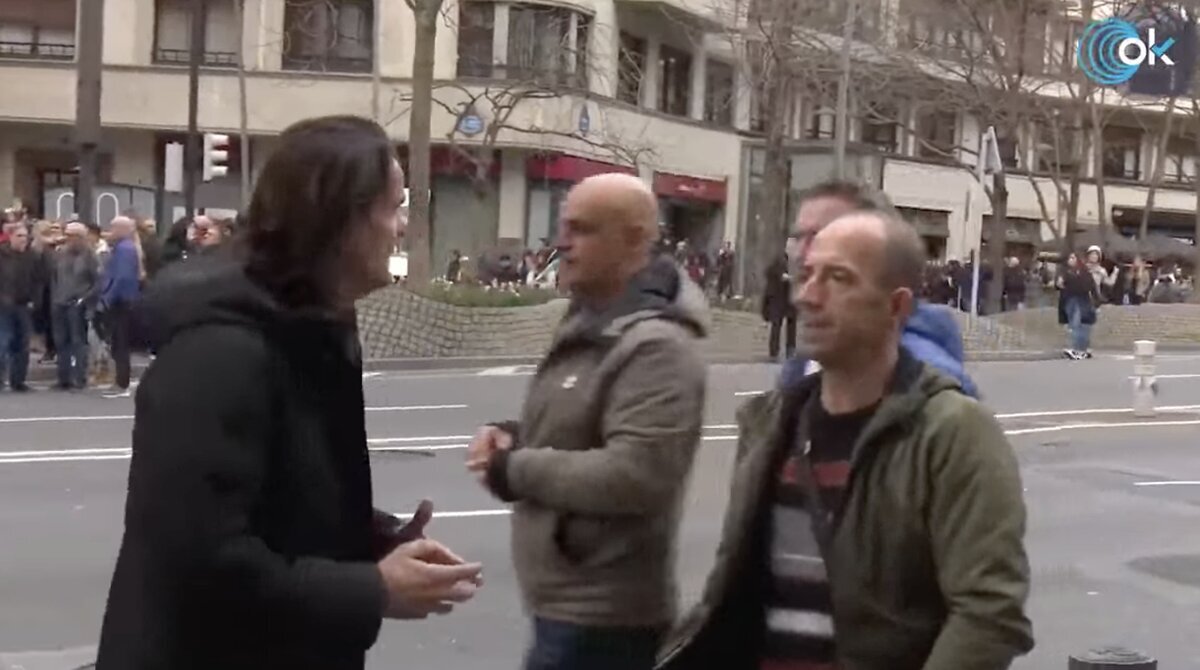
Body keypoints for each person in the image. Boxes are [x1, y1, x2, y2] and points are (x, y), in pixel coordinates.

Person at [96, 116, 483, 670]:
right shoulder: (222, 353)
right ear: (338, 218)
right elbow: (199, 558)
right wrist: (370, 590)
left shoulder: (314, 328)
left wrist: (371, 538)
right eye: (393, 207)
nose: (401, 227)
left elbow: (279, 497)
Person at [659, 209, 1033, 670]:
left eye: (837, 279)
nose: (808, 296)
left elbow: (989, 615)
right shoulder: (770, 422)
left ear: (896, 307)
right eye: (807, 275)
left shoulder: (954, 432)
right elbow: (733, 593)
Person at [466, 173, 708, 670]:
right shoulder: (591, 320)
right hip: (565, 611)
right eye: (564, 226)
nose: (562, 242)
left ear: (636, 238)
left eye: (582, 229)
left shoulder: (656, 345)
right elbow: (577, 425)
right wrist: (513, 434)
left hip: (603, 621)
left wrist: (514, 469)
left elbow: (637, 474)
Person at [777, 180, 978, 397]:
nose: (802, 254)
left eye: (823, 236)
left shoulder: (926, 390)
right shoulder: (808, 361)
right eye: (799, 237)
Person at [49, 222, 99, 390]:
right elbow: (54, 277)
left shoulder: (90, 256)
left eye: (72, 236)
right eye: (67, 235)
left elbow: (98, 281)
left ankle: (79, 378)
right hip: (59, 302)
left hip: (77, 303)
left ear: (81, 237)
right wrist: (55, 297)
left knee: (78, 341)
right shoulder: (60, 254)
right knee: (61, 341)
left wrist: (85, 299)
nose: (68, 239)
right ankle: (63, 378)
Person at [99, 216, 142, 398]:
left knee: (120, 342)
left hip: (122, 301)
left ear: (124, 229)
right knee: (118, 342)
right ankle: (120, 380)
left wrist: (108, 297)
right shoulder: (124, 248)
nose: (111, 231)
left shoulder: (124, 249)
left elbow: (121, 277)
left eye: (114, 227)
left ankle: (121, 383)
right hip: (123, 299)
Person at [0, 224, 42, 391]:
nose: (23, 239)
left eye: (25, 236)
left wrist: (35, 300)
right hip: (3, 306)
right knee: (3, 342)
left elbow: (38, 281)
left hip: (24, 305)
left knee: (22, 343)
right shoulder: (2, 255)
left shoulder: (32, 257)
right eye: (19, 236)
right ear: (10, 237)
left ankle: (18, 380)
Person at [1057, 251, 1100, 360]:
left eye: (1074, 258)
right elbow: (1058, 285)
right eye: (1070, 258)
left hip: (1084, 300)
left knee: (1083, 325)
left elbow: (1091, 286)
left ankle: (1082, 349)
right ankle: (1076, 348)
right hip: (1070, 300)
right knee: (1075, 324)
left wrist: (1097, 300)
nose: (1071, 260)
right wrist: (1059, 283)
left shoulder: (1083, 271)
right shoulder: (1064, 272)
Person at [762, 251, 796, 360]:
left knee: (790, 325)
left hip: (789, 298)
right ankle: (775, 352)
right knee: (777, 324)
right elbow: (773, 275)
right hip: (779, 298)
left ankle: (789, 350)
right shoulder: (778, 261)